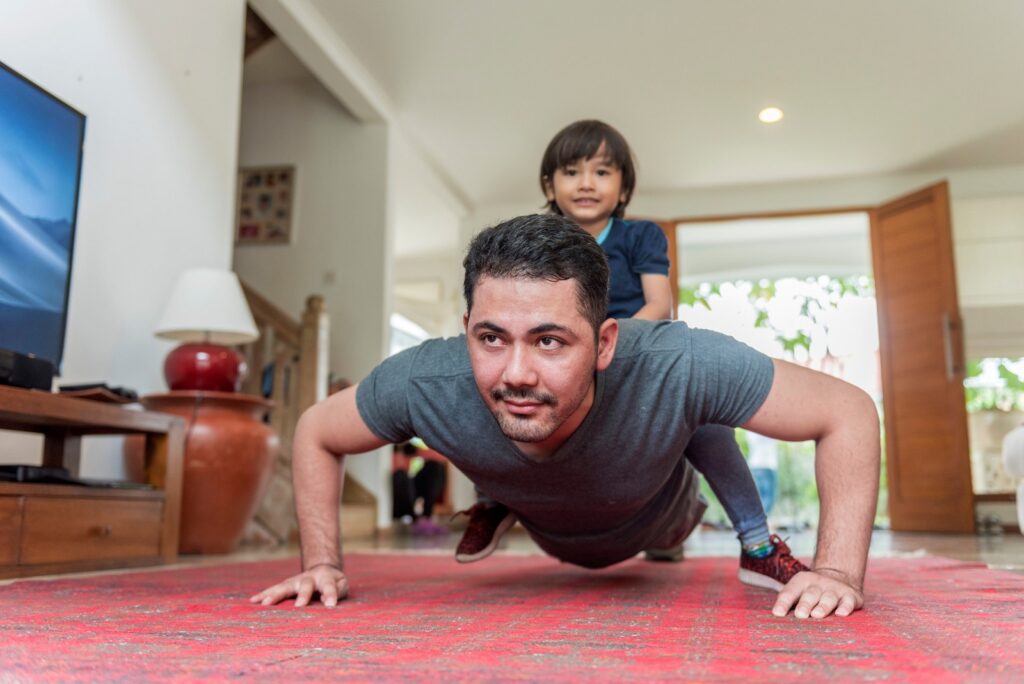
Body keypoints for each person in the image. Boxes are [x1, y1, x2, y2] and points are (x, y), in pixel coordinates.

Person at [251, 214, 880, 620]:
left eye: (550, 341)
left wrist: (836, 571)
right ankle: (498, 498)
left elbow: (847, 410)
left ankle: (755, 543)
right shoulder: (424, 378)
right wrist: (322, 562)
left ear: (605, 343)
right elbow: (315, 430)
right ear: (466, 328)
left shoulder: (678, 358)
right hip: (548, 528)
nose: (517, 371)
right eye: (491, 338)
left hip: (657, 523)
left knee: (698, 407)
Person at [455, 121, 782, 585]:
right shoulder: (533, 242)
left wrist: (608, 347)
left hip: (634, 350)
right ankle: (490, 505)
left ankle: (757, 540)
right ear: (550, 184)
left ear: (623, 185)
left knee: (708, 424)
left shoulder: (641, 237)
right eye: (572, 172)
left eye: (602, 172)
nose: (587, 183)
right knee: (487, 395)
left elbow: (659, 303)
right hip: (554, 359)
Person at [392, 441, 448, 536]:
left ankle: (426, 518)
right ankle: (417, 520)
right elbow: (398, 466)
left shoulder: (408, 447)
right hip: (394, 499)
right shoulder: (387, 449)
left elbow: (442, 458)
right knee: (400, 475)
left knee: (434, 466)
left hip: (410, 492)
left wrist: (416, 451)